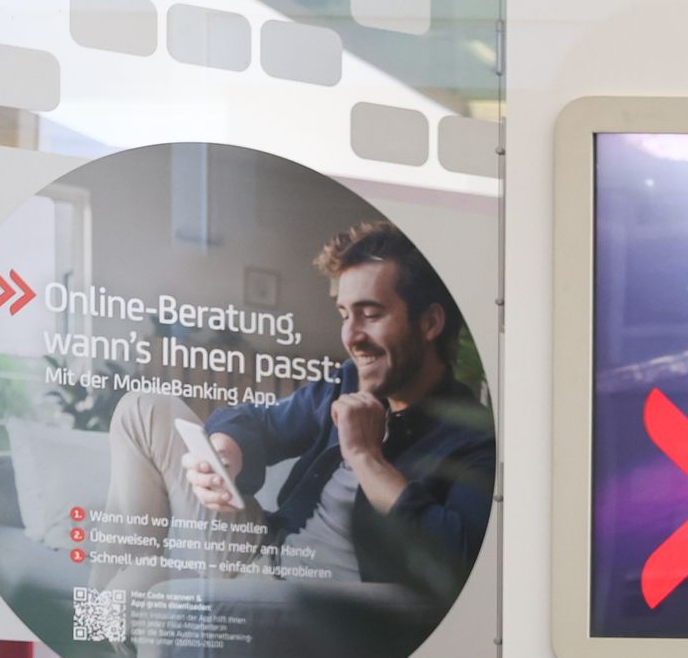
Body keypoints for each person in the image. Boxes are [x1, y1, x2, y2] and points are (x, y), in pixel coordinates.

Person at [101, 219, 493, 607]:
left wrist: (366, 457)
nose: (351, 337)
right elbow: (263, 422)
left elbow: (455, 559)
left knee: (133, 590)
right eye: (344, 315)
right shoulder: (348, 381)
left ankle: (115, 617)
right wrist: (227, 448)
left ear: (430, 322)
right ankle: (111, 611)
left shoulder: (476, 440)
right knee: (144, 409)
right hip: (264, 550)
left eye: (370, 315)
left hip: (312, 603)